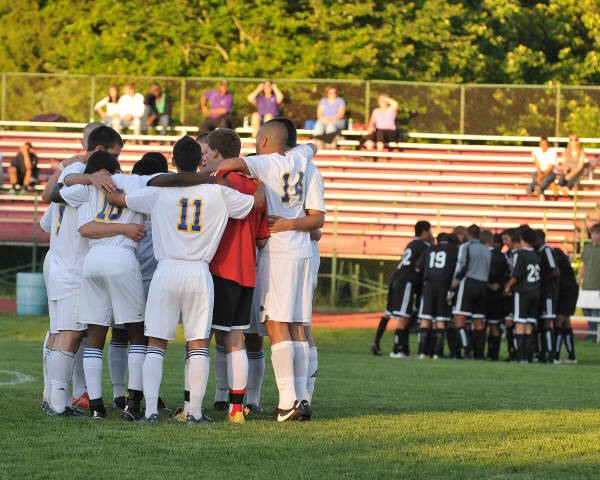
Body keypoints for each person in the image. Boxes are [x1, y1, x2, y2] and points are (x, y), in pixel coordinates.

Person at [119, 136, 265, 424]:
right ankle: (194, 411)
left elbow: (121, 199)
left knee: (156, 343)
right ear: (200, 160)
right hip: (199, 271)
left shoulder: (158, 190)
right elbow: (255, 204)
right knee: (198, 344)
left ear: (173, 161)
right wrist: (261, 180)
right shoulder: (218, 191)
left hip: (166, 270)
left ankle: (150, 410)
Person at [200, 122, 324, 422]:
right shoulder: (305, 161)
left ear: (265, 141)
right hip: (305, 250)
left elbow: (229, 164)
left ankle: (288, 402)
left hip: (277, 249)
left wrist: (200, 174)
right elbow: (313, 147)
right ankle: (302, 398)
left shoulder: (263, 163)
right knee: (298, 326)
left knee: (275, 323)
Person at [203, 128, 269, 423]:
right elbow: (261, 238)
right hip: (246, 271)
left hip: (218, 267)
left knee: (201, 339)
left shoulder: (217, 181)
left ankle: (193, 405)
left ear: (216, 153)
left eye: (206, 152)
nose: (204, 158)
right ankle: (235, 407)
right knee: (236, 340)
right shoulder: (255, 186)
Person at [371, 221, 432, 357]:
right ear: (424, 232)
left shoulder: (410, 243)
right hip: (406, 282)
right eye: (429, 231)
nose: (431, 234)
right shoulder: (425, 246)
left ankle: (379, 342)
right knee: (404, 317)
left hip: (395, 279)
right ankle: (397, 350)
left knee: (388, 313)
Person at [451, 224, 491, 360]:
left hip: (468, 283)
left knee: (459, 319)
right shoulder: (486, 250)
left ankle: (466, 349)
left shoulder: (466, 246)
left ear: (468, 234)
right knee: (479, 322)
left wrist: (454, 282)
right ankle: (479, 353)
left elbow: (461, 265)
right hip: (483, 285)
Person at [415, 232, 458, 359]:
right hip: (444, 286)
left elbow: (418, 268)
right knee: (440, 320)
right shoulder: (453, 250)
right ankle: (437, 353)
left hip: (428, 286)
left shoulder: (429, 249)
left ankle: (422, 352)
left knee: (425, 320)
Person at [504, 227, 541, 363]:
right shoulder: (536, 254)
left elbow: (517, 274)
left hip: (523, 292)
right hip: (536, 291)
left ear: (521, 239)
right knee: (529, 325)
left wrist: (508, 286)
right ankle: (528, 356)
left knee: (520, 323)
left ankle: (520, 357)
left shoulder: (521, 254)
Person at [534, 229, 559, 363]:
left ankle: (550, 354)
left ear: (539, 239)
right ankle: (540, 353)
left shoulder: (547, 250)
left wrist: (541, 279)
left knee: (547, 323)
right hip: (540, 293)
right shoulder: (537, 252)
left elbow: (555, 271)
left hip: (549, 293)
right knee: (539, 324)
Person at [485, 232, 509, 361]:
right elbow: (507, 274)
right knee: (495, 326)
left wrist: (488, 284)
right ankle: (493, 355)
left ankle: (478, 353)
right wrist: (500, 285)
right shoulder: (502, 257)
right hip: (497, 296)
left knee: (480, 324)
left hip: (484, 293)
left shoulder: (486, 254)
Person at [553, 246, 578, 363]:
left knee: (558, 322)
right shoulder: (566, 267)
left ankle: (555, 355)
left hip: (566, 296)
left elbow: (561, 284)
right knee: (566, 323)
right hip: (569, 296)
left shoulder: (561, 270)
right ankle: (571, 356)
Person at [578, 223, 600, 338]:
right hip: (586, 284)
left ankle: (592, 335)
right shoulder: (587, 247)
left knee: (595, 312)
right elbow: (584, 265)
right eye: (593, 233)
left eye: (597, 233)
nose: (594, 236)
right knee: (585, 310)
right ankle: (592, 333)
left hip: (597, 285)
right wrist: (578, 280)